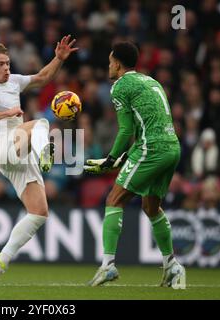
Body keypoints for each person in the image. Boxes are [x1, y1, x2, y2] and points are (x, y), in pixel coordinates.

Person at [0, 35, 77, 283]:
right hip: (0, 147)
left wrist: (58, 59)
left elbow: (42, 77)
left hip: (20, 152)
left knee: (39, 213)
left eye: (7, 63)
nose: (6, 67)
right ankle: (45, 154)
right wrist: (6, 112)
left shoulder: (15, 82)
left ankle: (0, 261)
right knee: (40, 123)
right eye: (0, 64)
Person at [84, 42, 186, 288]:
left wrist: (111, 159)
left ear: (117, 63)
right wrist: (122, 158)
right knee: (151, 207)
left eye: (110, 62)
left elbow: (127, 130)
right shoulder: (151, 82)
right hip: (172, 147)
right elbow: (148, 124)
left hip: (151, 148)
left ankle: (108, 265)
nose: (109, 67)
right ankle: (172, 265)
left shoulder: (120, 86)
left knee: (114, 199)